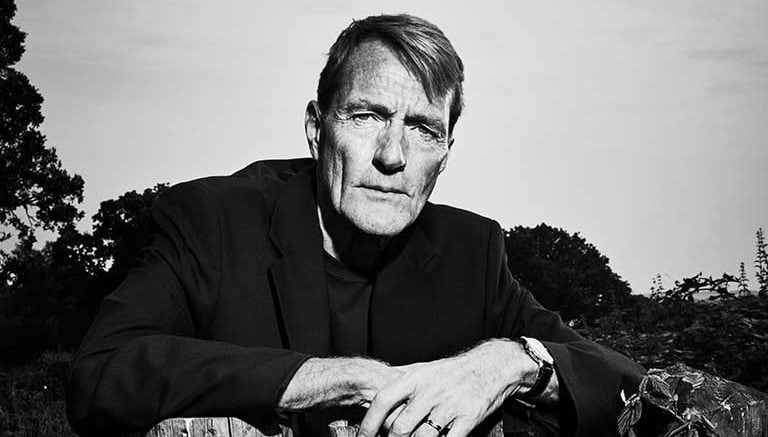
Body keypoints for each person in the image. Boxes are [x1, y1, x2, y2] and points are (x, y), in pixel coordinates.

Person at [66, 14, 644, 437]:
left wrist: (511, 363)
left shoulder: (472, 252)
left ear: (445, 154)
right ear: (317, 130)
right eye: (367, 116)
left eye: (424, 129)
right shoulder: (210, 221)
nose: (393, 156)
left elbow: (629, 388)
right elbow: (100, 374)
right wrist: (326, 378)